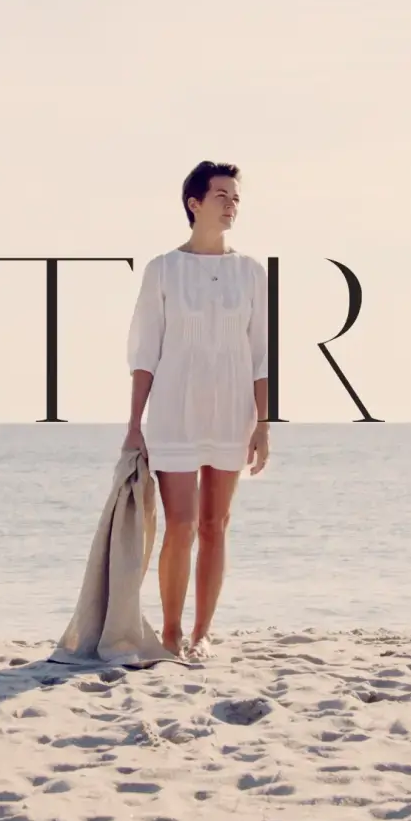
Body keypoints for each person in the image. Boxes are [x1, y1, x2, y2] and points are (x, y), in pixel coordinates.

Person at [122, 160, 271, 660]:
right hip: (174, 411)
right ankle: (170, 632)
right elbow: (145, 352)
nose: (231, 205)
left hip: (231, 411)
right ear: (195, 203)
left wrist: (263, 424)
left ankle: (202, 633)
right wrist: (133, 425)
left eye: (236, 198)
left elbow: (261, 354)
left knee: (215, 525)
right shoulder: (163, 270)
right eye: (222, 196)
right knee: (180, 524)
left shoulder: (251, 272)